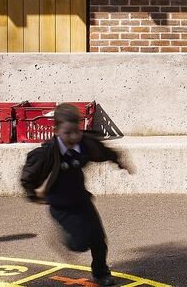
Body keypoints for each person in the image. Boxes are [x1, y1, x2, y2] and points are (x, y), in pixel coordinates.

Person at [20, 103, 135, 287]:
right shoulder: (46, 154)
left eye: (77, 132)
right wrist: (34, 194)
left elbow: (104, 152)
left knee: (98, 239)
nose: (74, 137)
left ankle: (101, 273)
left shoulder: (84, 144)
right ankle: (64, 238)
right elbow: (28, 177)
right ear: (56, 130)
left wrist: (121, 163)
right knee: (80, 244)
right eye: (68, 133)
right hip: (61, 206)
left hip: (81, 200)